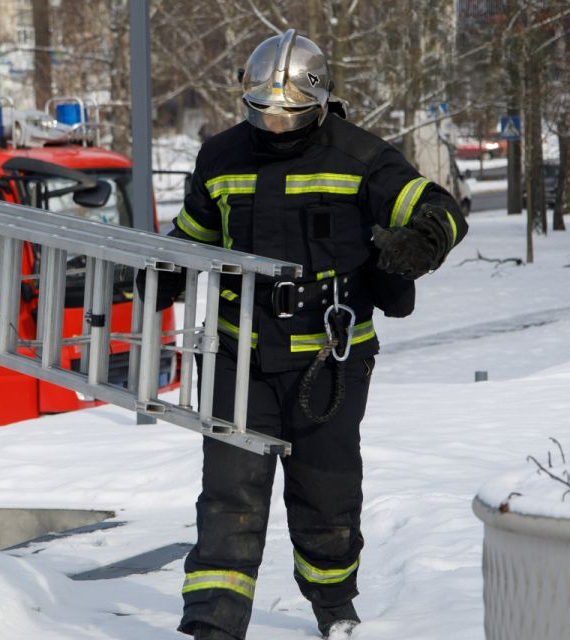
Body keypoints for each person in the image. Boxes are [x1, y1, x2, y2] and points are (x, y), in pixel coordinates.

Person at [159, 30, 468, 639]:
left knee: (326, 495)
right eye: (262, 113)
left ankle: (335, 611)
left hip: (329, 362)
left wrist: (422, 241)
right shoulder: (220, 156)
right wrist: (163, 270)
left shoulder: (362, 157)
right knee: (228, 497)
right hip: (237, 358)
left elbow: (443, 210)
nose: (275, 126)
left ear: (320, 102)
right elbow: (193, 235)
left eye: (289, 115)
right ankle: (212, 624)